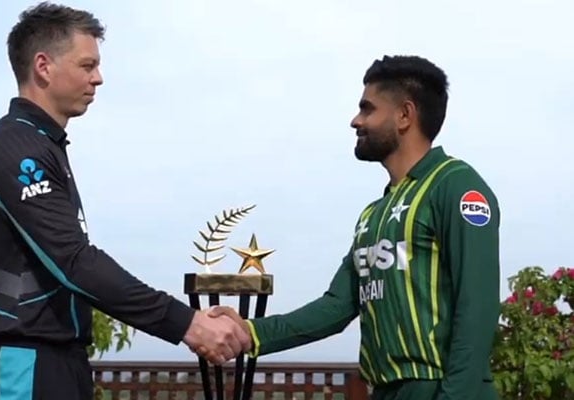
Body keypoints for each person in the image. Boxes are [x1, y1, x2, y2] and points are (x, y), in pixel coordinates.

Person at [0, 3, 249, 399]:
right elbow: (74, 262)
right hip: (21, 367)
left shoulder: (43, 145)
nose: (99, 79)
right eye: (87, 65)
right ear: (43, 66)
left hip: (60, 364)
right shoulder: (14, 145)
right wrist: (188, 324)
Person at [209, 55, 501, 400]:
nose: (355, 120)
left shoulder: (457, 186)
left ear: (404, 115)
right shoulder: (373, 215)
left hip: (440, 388)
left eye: (367, 109)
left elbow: (477, 308)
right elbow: (336, 306)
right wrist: (251, 332)